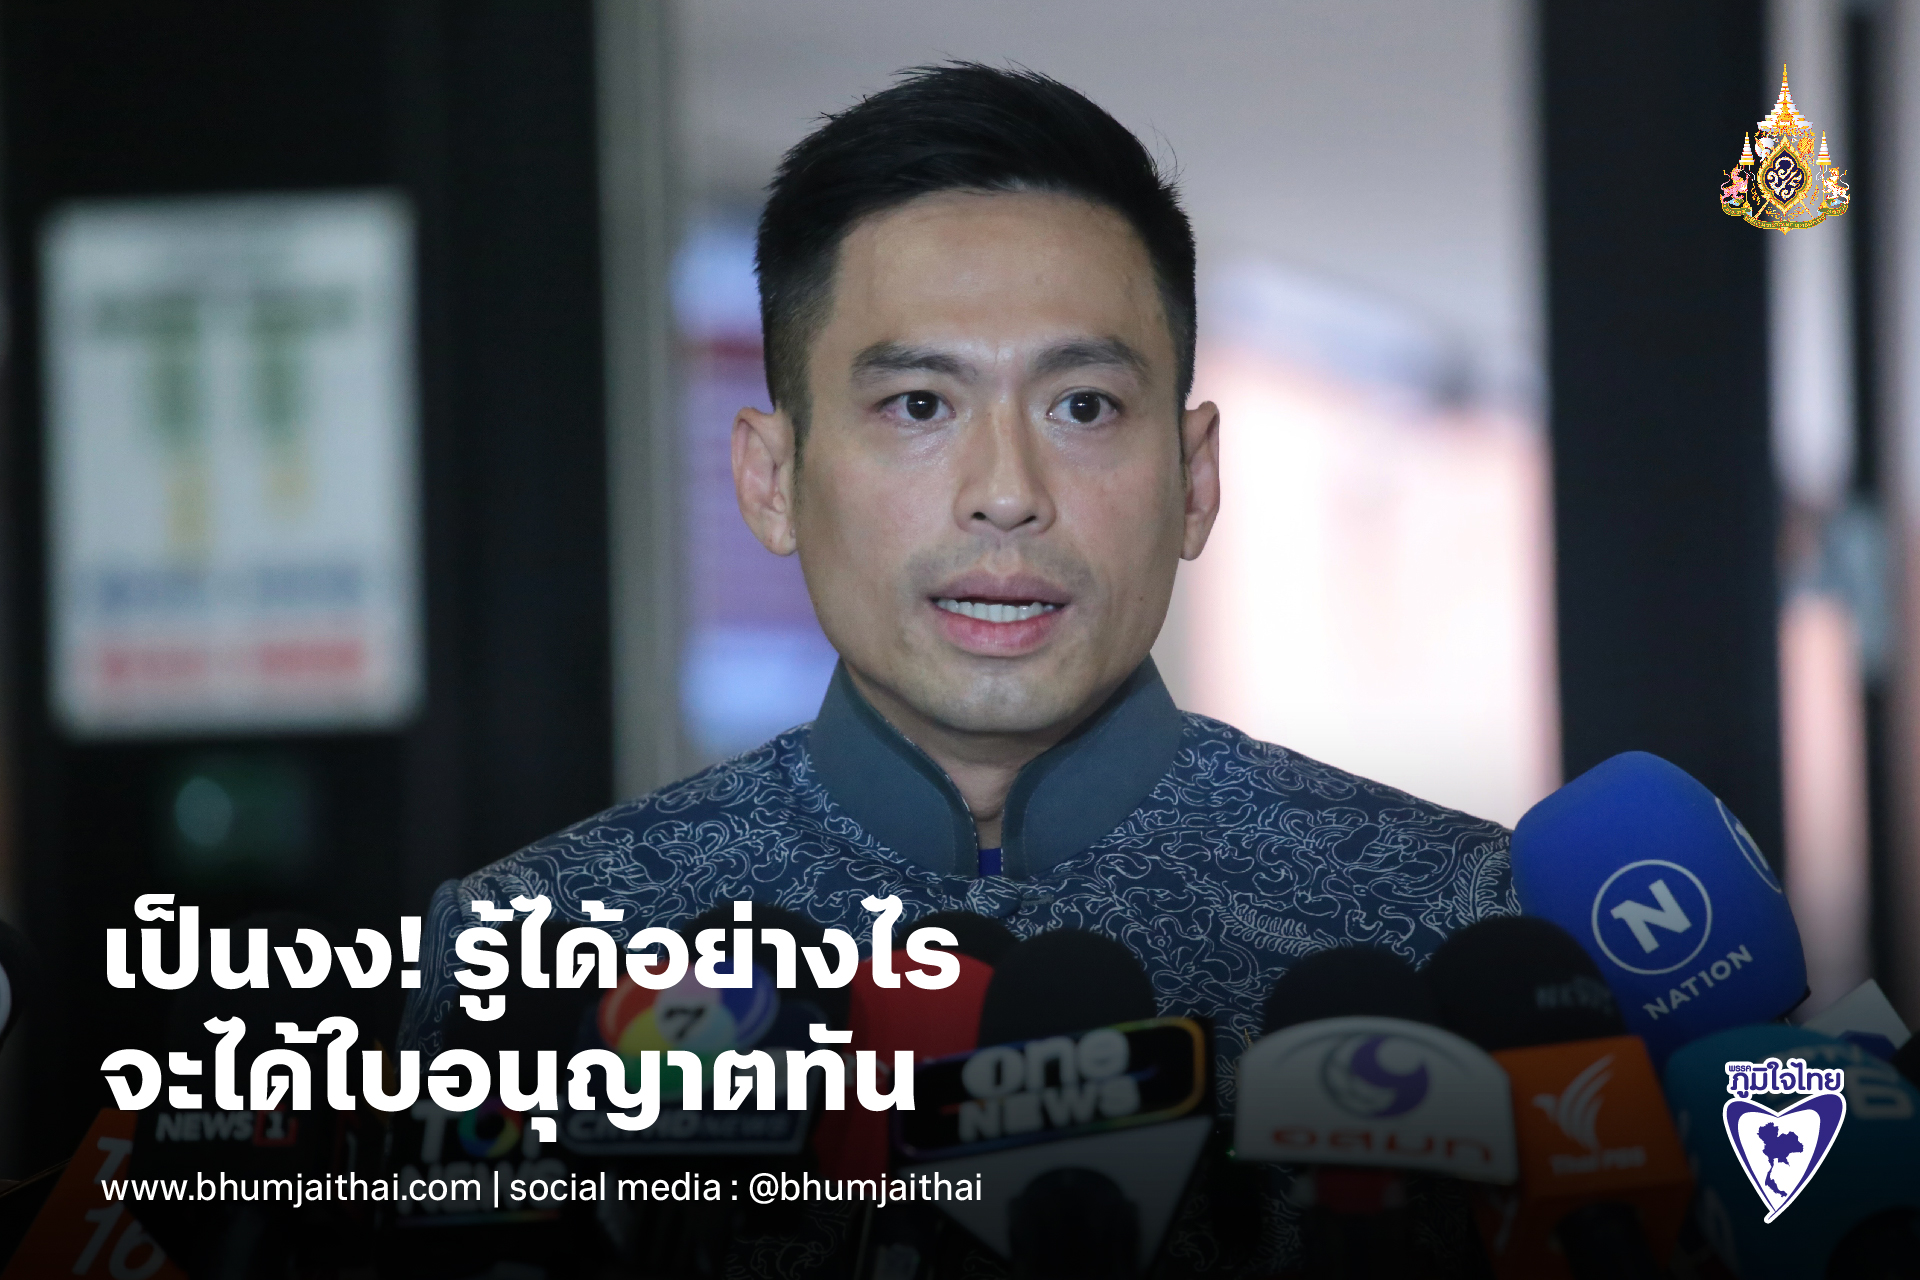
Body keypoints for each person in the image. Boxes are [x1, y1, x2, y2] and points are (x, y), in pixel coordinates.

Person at [403, 61, 1513, 1273]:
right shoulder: (540, 945)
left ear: (1194, 480)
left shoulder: (1460, 921)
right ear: (772, 479)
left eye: (1083, 406)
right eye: (920, 404)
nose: (1006, 493)